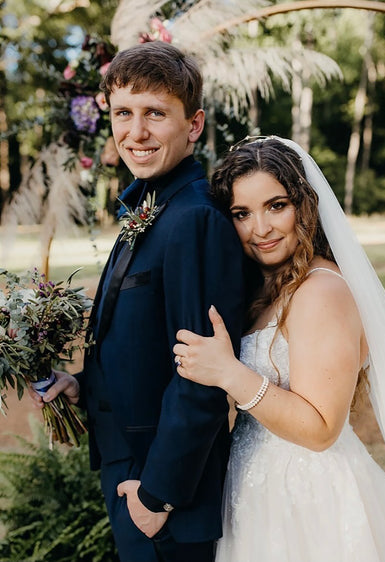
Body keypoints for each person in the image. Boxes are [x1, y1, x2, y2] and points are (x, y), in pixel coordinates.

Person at [31, 41, 244, 562]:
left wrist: (156, 495)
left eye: (155, 114)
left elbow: (203, 376)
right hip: (131, 471)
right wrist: (79, 385)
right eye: (123, 113)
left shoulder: (193, 219)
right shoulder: (152, 206)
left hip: (165, 493)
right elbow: (144, 344)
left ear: (193, 126)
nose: (136, 132)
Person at [173, 136, 385, 561]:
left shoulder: (321, 291)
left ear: (305, 205)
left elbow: (321, 429)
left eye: (276, 205)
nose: (261, 228)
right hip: (257, 491)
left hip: (311, 500)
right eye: (241, 214)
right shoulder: (268, 287)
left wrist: (229, 372)